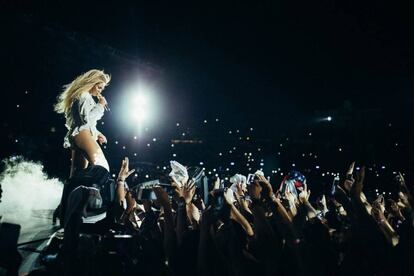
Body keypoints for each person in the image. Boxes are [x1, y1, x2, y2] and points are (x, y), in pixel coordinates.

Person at [54, 69, 111, 177]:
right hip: (83, 134)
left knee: (76, 175)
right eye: (99, 87)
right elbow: (86, 120)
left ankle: (71, 194)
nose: (100, 91)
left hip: (80, 134)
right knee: (102, 168)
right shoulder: (84, 96)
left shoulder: (83, 96)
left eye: (102, 89)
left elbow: (84, 121)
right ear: (92, 83)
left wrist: (97, 133)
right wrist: (100, 105)